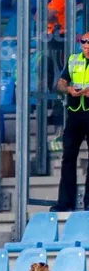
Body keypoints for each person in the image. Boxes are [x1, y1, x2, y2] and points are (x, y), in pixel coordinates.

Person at [55, 32, 89, 210]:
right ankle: (65, 202)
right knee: (68, 157)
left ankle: (88, 203)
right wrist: (69, 89)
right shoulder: (74, 59)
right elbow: (60, 83)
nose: (85, 46)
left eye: (88, 43)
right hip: (75, 112)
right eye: (83, 43)